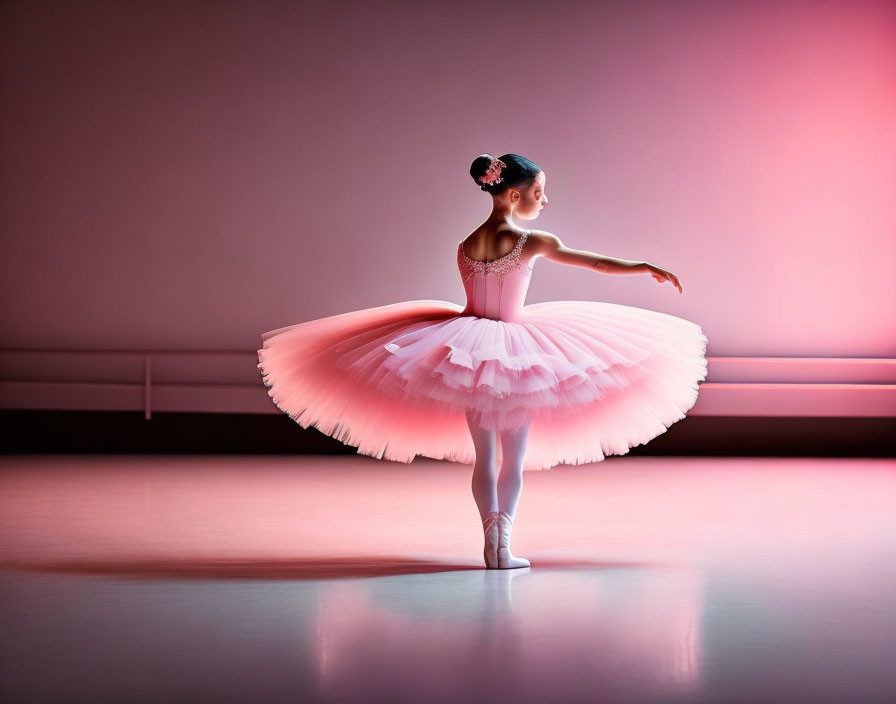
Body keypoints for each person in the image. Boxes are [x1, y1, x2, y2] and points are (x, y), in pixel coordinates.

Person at [257, 153, 708, 570]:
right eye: (538, 192)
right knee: (514, 455)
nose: (544, 200)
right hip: (515, 351)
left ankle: (490, 543)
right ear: (514, 194)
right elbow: (597, 265)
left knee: (484, 455)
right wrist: (644, 265)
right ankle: (504, 547)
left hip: (466, 348)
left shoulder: (467, 242)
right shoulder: (531, 241)